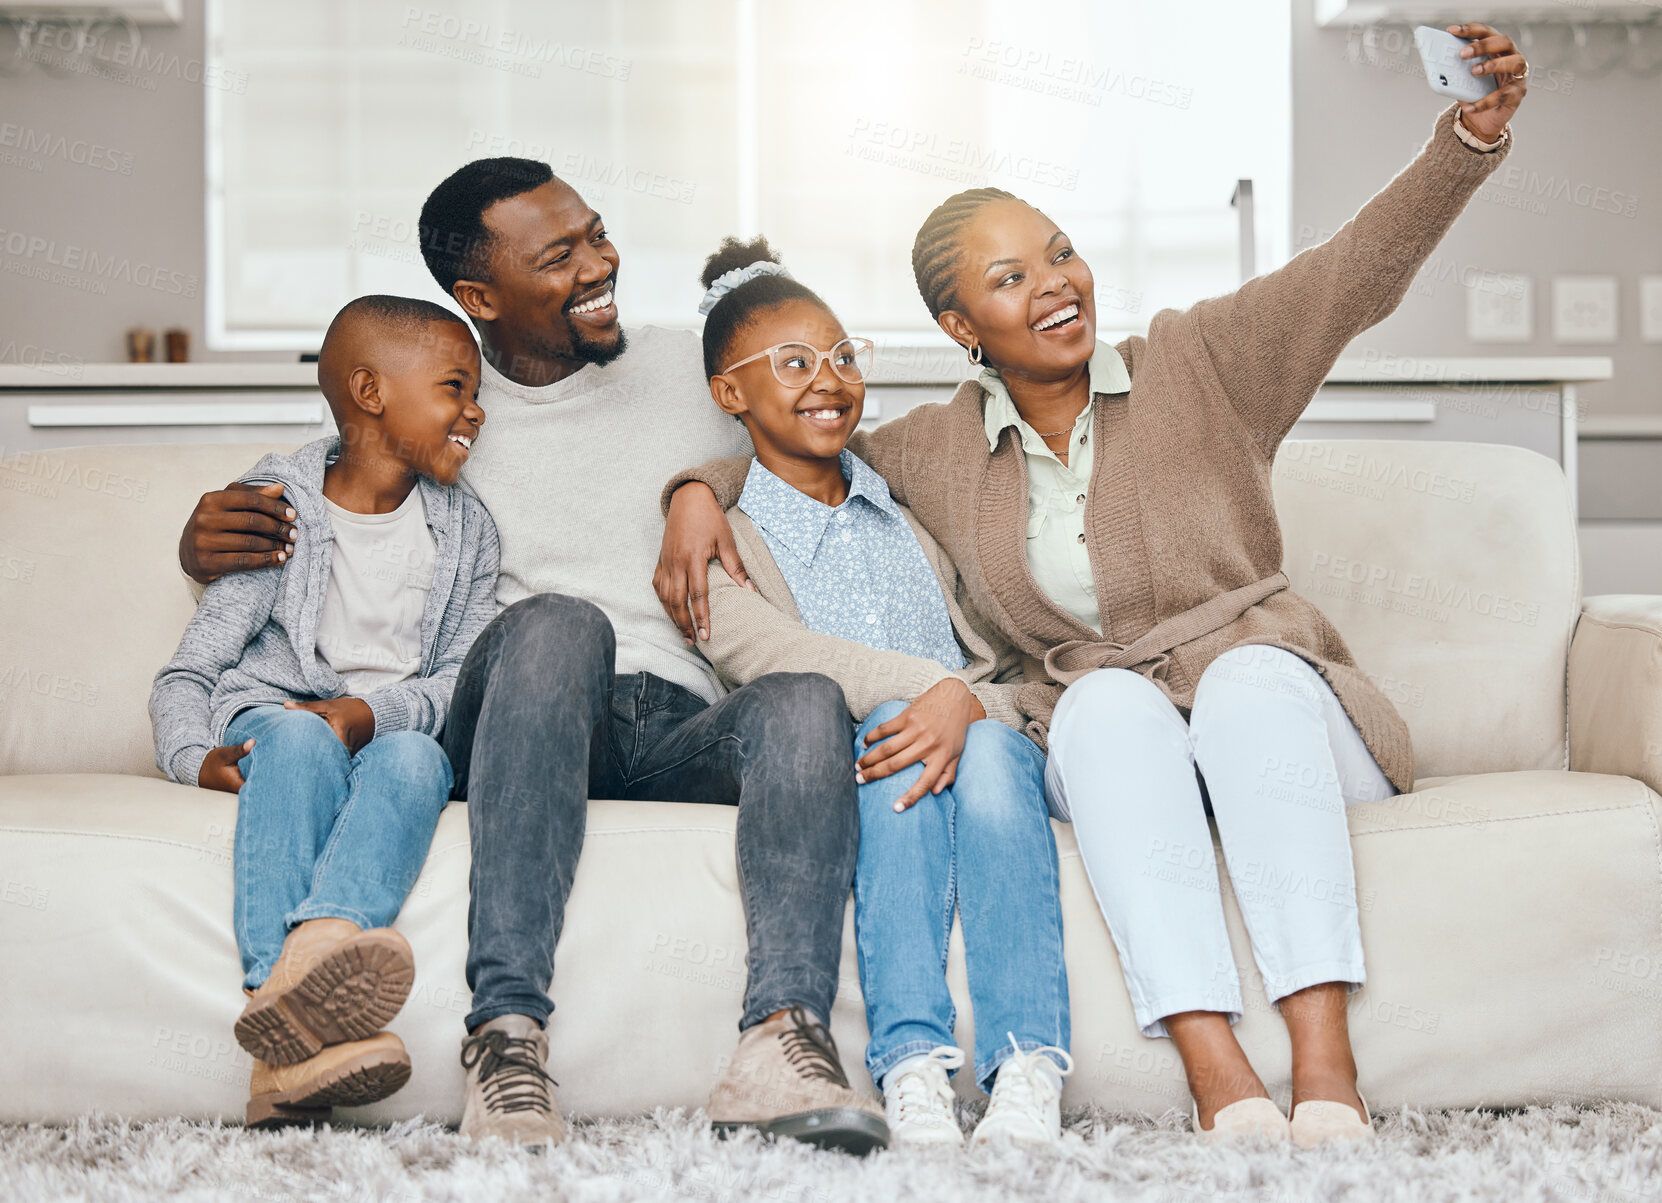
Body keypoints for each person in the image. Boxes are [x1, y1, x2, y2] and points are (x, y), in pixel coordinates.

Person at [657, 26, 1528, 1148]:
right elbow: (807, 444)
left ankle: (1325, 1065)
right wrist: (699, 486)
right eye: (1011, 280)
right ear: (963, 328)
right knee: (1103, 704)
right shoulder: (930, 449)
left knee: (1253, 682)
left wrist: (1468, 137)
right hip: (1123, 758)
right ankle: (1220, 1077)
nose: (1056, 286)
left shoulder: (1202, 363)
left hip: (1284, 735)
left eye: (1060, 254)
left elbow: (1353, 273)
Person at [174, 159, 884, 1154]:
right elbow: (339, 478)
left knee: (806, 698)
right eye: (563, 256)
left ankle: (782, 1035)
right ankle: (506, 1035)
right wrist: (201, 539)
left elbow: (826, 442)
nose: (603, 263)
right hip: (526, 711)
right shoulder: (447, 409)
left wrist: (699, 484)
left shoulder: (689, 370)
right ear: (480, 298)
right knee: (561, 622)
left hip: (680, 715)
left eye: (597, 233)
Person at [688, 236, 1072, 1149]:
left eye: (844, 357)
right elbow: (771, 654)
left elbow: (1003, 663)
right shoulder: (721, 541)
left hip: (986, 733)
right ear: (729, 393)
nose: (829, 379)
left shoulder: (904, 508)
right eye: (793, 363)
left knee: (977, 753)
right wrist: (940, 692)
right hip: (866, 755)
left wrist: (965, 703)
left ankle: (1028, 1063)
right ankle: (912, 1064)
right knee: (898, 730)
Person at [150, 295, 499, 1129]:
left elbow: (458, 680)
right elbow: (190, 668)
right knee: (303, 736)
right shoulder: (275, 508)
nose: (477, 411)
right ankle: (275, 981)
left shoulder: (470, 532)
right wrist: (190, 754)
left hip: (384, 730)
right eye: (456, 386)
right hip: (275, 717)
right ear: (371, 391)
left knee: (424, 759)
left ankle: (303, 984)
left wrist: (369, 713)